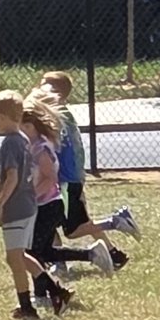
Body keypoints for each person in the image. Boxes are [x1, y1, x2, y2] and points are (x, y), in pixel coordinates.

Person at [0, 90, 76, 320]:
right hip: (28, 205)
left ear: (6, 117)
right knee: (19, 256)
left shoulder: (10, 142)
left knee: (15, 258)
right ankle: (49, 295)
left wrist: (1, 203)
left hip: (16, 206)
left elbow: (13, 177)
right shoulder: (24, 140)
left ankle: (39, 300)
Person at [21, 90, 114, 303]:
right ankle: (91, 255)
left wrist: (30, 197)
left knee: (32, 252)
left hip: (47, 206)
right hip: (43, 205)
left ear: (30, 127)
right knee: (44, 251)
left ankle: (44, 295)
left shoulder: (41, 148)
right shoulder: (32, 146)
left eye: (21, 127)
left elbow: (50, 178)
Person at [39, 71, 138, 270]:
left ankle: (115, 221)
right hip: (72, 176)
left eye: (43, 85)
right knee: (72, 221)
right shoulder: (62, 112)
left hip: (65, 180)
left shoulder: (53, 115)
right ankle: (112, 253)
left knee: (72, 229)